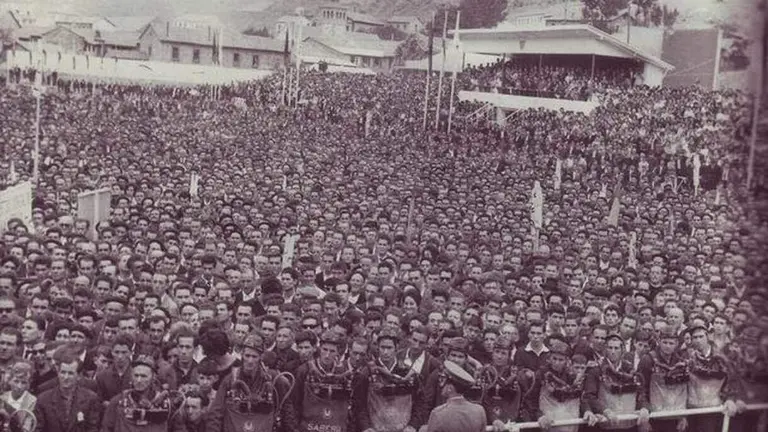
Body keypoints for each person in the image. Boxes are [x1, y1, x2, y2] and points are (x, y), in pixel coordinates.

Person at [206, 334, 297, 432]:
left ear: (261, 357)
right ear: (242, 355)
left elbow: (287, 410)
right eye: (247, 356)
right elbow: (216, 413)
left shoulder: (273, 379)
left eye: (254, 357)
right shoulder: (230, 380)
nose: (250, 361)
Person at [353, 328, 424, 432]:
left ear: (396, 348)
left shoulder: (406, 372)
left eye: (389, 348)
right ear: (377, 347)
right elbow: (359, 404)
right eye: (382, 347)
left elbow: (420, 402)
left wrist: (413, 425)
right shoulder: (367, 372)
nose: (385, 352)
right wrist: (366, 427)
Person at [101, 354, 187, 432]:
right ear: (131, 376)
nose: (139, 380)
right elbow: (106, 429)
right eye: (136, 375)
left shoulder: (166, 405)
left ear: (153, 378)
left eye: (143, 376)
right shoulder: (118, 402)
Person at [583, 334, 649, 431]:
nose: (613, 352)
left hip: (629, 425)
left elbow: (641, 394)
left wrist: (644, 408)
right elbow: (590, 396)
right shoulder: (596, 371)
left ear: (622, 350)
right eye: (610, 348)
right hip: (606, 425)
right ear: (605, 350)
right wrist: (604, 410)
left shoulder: (631, 370)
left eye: (616, 348)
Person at [523, 336, 589, 432]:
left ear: (567, 360)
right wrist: (539, 416)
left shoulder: (572, 376)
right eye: (554, 358)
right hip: (548, 423)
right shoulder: (541, 374)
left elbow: (582, 398)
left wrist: (587, 410)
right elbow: (530, 399)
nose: (557, 363)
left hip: (570, 423)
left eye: (561, 360)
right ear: (549, 358)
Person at [292, 331, 353, 432]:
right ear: (319, 348)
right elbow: (295, 403)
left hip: (335, 427)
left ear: (338, 352)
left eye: (332, 351)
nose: (327, 355)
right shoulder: (304, 370)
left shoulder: (344, 373)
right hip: (309, 427)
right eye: (325, 349)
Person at [685, 325, 742, 432]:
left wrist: (729, 399)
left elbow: (731, 380)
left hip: (712, 408)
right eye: (695, 337)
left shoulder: (720, 358)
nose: (698, 340)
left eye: (701, 337)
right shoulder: (687, 358)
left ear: (707, 337)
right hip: (691, 408)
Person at [33, 345, 102, 432]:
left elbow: (92, 428)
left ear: (78, 376)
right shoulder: (43, 399)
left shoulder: (91, 398)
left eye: (70, 373)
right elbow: (38, 429)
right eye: (63, 372)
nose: (66, 377)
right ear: (58, 373)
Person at [637, 327, 688, 432]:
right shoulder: (648, 360)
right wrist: (644, 409)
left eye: (671, 343)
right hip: (653, 415)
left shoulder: (680, 361)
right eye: (665, 342)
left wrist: (683, 415)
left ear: (677, 344)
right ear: (659, 341)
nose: (667, 346)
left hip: (674, 415)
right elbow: (641, 387)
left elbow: (683, 391)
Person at [425, 360, 486, 432]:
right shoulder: (479, 411)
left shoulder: (438, 414)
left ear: (450, 388)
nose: (441, 385)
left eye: (443, 381)